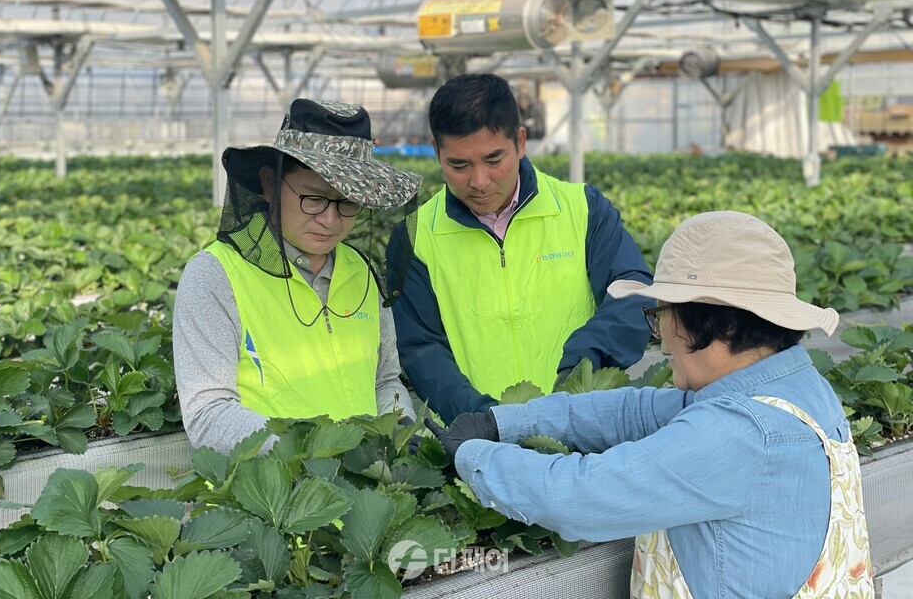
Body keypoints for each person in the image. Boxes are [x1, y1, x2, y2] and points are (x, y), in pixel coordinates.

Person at [427, 211, 874, 599]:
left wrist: (472, 455)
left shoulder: (738, 435)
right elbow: (633, 412)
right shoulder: (798, 388)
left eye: (661, 316)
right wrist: (504, 422)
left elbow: (578, 496)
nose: (660, 343)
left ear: (725, 326)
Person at [386, 73, 653, 424]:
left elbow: (633, 292)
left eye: (494, 160)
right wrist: (486, 421)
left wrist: (583, 365)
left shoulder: (583, 210)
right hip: (481, 439)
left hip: (586, 422)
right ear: (437, 153)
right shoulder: (415, 236)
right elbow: (420, 348)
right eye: (459, 165)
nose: (479, 182)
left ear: (520, 141)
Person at [174, 99, 421, 454]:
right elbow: (208, 412)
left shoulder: (361, 272)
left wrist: (401, 432)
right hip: (272, 500)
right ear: (270, 184)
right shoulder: (215, 275)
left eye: (348, 202)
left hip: (366, 491)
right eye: (314, 199)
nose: (331, 220)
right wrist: (310, 453)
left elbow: (384, 381)